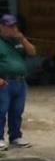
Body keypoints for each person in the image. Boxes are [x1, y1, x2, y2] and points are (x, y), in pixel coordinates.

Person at [0, 13, 36, 150]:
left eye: (15, 26)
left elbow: (32, 52)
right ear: (2, 27)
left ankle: (15, 136)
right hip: (5, 81)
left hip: (20, 82)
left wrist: (23, 39)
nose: (13, 29)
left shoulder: (18, 41)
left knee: (17, 111)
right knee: (1, 111)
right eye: (10, 26)